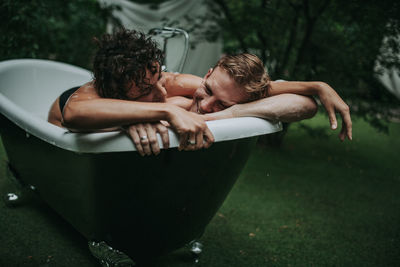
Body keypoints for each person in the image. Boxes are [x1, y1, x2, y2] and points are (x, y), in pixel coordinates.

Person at [48, 28, 352, 156]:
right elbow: (75, 115)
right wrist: (166, 112)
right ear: (116, 92)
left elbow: (259, 89)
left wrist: (317, 86)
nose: (161, 90)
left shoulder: (167, 84)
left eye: (158, 77)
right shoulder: (89, 95)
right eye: (146, 90)